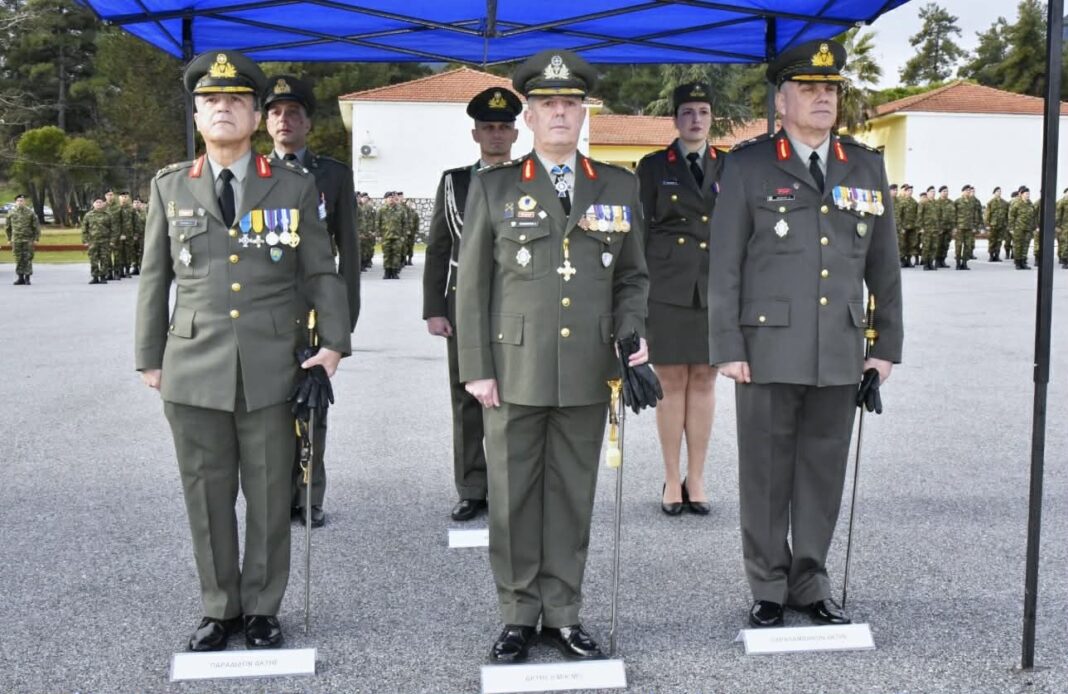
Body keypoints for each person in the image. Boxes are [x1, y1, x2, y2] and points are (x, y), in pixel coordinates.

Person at [134, 50, 351, 652]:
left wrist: (334, 344)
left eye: (235, 100)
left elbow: (321, 270)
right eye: (210, 101)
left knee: (269, 492)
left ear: (256, 117)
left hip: (273, 365)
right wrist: (149, 356)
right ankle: (219, 608)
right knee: (206, 495)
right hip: (192, 366)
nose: (222, 108)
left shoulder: (294, 185)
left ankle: (261, 608)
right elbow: (155, 278)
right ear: (196, 116)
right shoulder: (170, 186)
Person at [457, 49, 649, 663]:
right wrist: (476, 368)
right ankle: (518, 614)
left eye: (570, 103)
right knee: (513, 496)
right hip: (513, 367)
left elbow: (633, 276)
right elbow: (472, 287)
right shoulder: (494, 185)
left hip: (590, 366)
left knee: (571, 494)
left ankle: (563, 613)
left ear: (583, 114)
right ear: (530, 117)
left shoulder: (619, 185)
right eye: (547, 104)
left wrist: (631, 333)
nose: (560, 113)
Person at [708, 39, 903, 629]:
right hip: (765, 347)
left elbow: (884, 265)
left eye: (831, 89)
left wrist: (885, 347)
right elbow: (725, 264)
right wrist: (727, 346)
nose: (823, 98)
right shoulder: (748, 165)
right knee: (766, 471)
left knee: (822, 469)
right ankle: (768, 585)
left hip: (840, 347)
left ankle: (811, 583)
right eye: (810, 88)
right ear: (782, 100)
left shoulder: (864, 165)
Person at [263, 73, 362, 528]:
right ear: (266, 123)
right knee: (266, 408)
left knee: (312, 406)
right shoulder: (252, 173)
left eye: (293, 113)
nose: (284, 120)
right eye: (276, 112)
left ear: (308, 123)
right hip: (266, 309)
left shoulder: (333, 176)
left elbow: (348, 254)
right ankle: (272, 494)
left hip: (311, 314)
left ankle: (308, 495)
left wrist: (341, 324)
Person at [423, 86, 522, 522]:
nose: (496, 135)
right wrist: (434, 308)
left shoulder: (528, 179)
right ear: (475, 133)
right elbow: (438, 247)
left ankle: (510, 484)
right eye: (488, 127)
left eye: (503, 127)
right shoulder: (456, 182)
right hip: (463, 304)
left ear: (515, 133)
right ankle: (471, 487)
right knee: (466, 399)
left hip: (518, 303)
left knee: (516, 396)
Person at [635, 82, 724, 515]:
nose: (696, 119)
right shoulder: (653, 167)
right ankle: (672, 478)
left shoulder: (730, 165)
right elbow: (639, 232)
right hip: (667, 288)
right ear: (675, 119)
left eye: (703, 111)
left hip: (714, 288)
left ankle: (698, 476)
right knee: (671, 382)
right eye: (687, 112)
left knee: (705, 380)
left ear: (712, 118)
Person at [5, 194, 40, 285]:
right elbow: (8, 227)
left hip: (28, 240)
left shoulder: (30, 213)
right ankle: (20, 278)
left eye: (22, 201)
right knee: (18, 258)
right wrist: (9, 239)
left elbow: (36, 227)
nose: (20, 202)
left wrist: (36, 239)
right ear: (15, 202)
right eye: (18, 201)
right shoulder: (11, 213)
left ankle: (27, 278)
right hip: (16, 240)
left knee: (27, 258)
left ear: (25, 202)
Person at [81, 196, 113, 284]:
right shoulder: (88, 215)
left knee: (104, 259)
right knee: (93, 259)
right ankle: (95, 277)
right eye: (97, 202)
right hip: (93, 241)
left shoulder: (108, 215)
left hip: (105, 241)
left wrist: (112, 240)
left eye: (100, 202)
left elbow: (113, 228)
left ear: (103, 204)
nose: (98, 204)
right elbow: (84, 229)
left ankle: (103, 276)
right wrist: (85, 240)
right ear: (93, 204)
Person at [377, 191, 406, 279]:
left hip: (397, 237)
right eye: (389, 198)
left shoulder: (400, 210)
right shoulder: (381, 210)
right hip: (385, 236)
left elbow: (405, 224)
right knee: (387, 255)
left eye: (392, 197)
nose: (391, 199)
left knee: (396, 255)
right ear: (386, 199)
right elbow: (377, 223)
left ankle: (394, 272)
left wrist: (403, 236)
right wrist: (378, 235)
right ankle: (387, 272)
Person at [954, 185, 981, 270]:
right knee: (958, 246)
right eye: (966, 190)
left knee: (968, 246)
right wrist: (954, 226)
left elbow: (975, 214)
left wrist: (976, 226)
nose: (968, 192)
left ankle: (964, 263)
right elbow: (953, 214)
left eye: (969, 190)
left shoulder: (973, 202)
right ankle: (958, 263)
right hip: (960, 227)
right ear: (962, 192)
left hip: (969, 227)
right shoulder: (958, 201)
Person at [1010, 187, 1037, 269]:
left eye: (1028, 194)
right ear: (1021, 194)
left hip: (1028, 228)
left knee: (1026, 245)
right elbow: (1011, 216)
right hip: (1018, 228)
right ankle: (1017, 263)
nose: (1028, 195)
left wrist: (1034, 226)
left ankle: (1023, 261)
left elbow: (1033, 216)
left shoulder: (1030, 203)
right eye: (1026, 194)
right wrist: (1011, 228)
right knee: (1018, 245)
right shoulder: (1016, 203)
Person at [918, 187, 940, 271]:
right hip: (926, 228)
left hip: (935, 228)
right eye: (931, 192)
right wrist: (920, 227)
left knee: (934, 247)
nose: (933, 193)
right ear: (927, 193)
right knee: (926, 247)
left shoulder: (936, 203)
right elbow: (919, 215)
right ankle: (925, 264)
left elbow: (939, 216)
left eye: (934, 192)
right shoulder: (923, 202)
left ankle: (931, 263)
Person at [985, 187, 1008, 262]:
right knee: (992, 241)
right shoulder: (990, 202)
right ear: (994, 193)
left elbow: (1007, 214)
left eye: (1000, 191)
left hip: (1002, 225)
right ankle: (991, 255)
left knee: (999, 241)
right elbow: (987, 214)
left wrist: (1006, 223)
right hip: (993, 225)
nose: (999, 192)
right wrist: (987, 224)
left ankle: (997, 255)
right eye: (997, 191)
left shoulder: (1005, 203)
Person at [897, 184, 918, 267]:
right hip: (904, 227)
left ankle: (909, 260)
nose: (910, 192)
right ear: (905, 192)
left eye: (911, 191)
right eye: (908, 191)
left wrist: (917, 226)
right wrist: (901, 227)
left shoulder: (914, 202)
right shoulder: (901, 201)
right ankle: (902, 260)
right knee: (902, 244)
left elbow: (917, 214)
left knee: (911, 244)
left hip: (912, 227)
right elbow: (899, 215)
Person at [358, 192, 377, 271]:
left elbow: (374, 219)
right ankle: (362, 263)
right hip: (361, 230)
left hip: (369, 230)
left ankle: (367, 260)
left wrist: (373, 230)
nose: (365, 199)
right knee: (362, 248)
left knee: (369, 247)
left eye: (366, 198)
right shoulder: (358, 207)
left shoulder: (369, 207)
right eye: (364, 197)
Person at [1056, 187, 1068, 269]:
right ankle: (1065, 261)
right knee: (1065, 243)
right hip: (1064, 226)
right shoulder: (1062, 202)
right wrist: (1057, 226)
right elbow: (1058, 215)